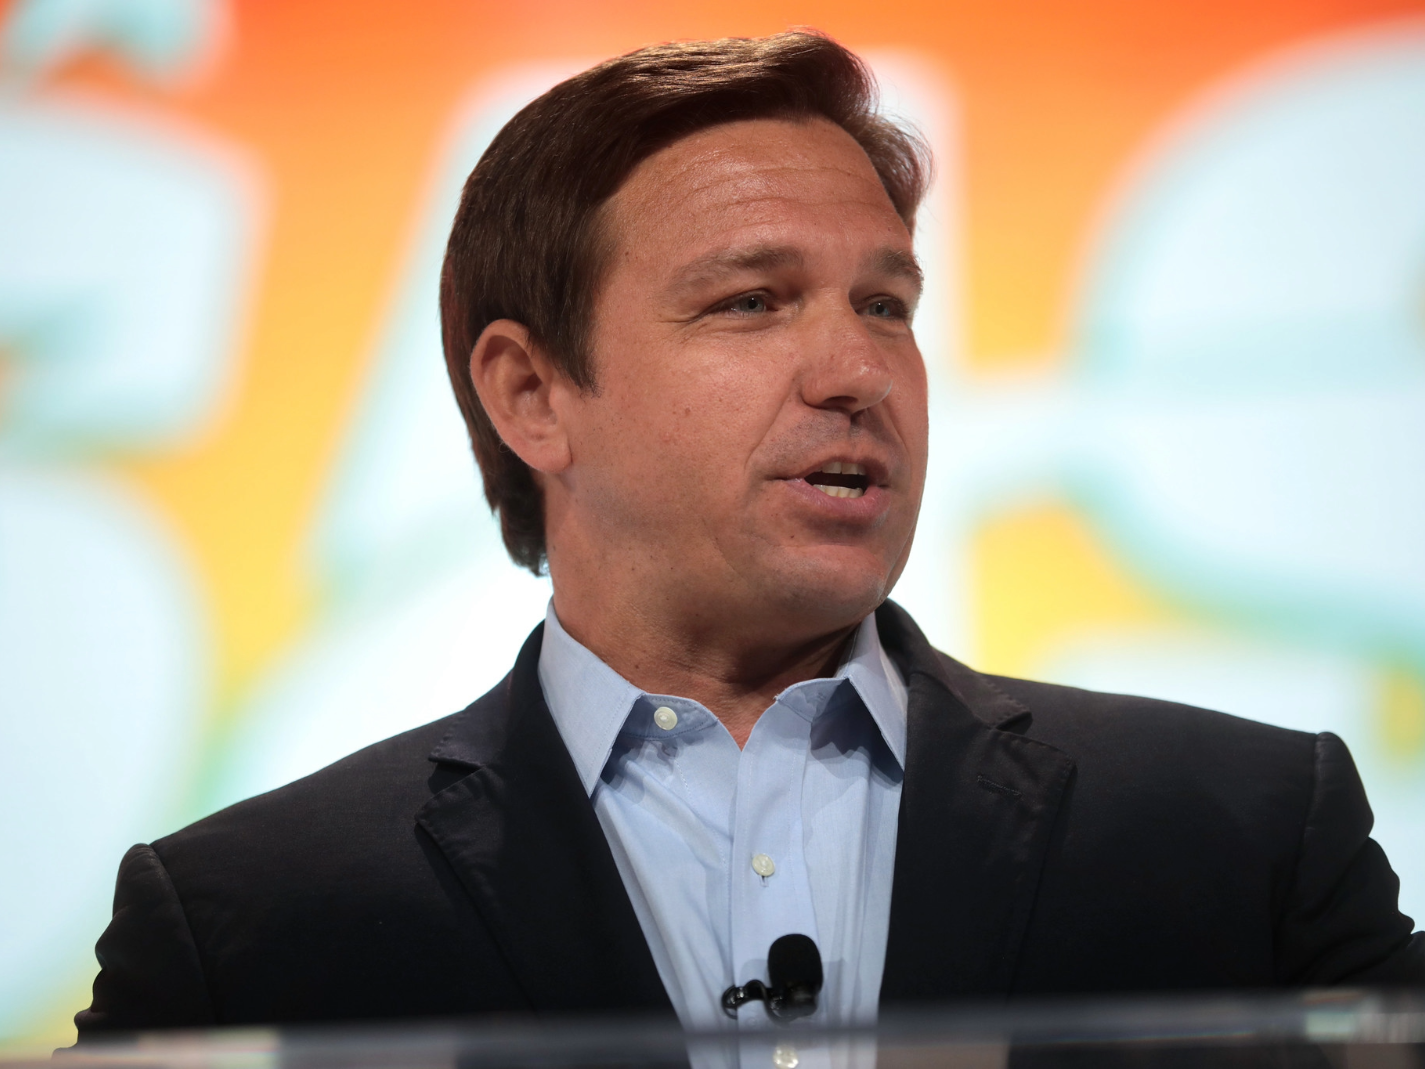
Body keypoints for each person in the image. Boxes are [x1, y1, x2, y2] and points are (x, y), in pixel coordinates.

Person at [76, 30, 1422, 1039]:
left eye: (886, 305)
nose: (857, 371)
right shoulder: (247, 925)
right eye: (750, 303)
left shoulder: (1245, 839)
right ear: (531, 393)